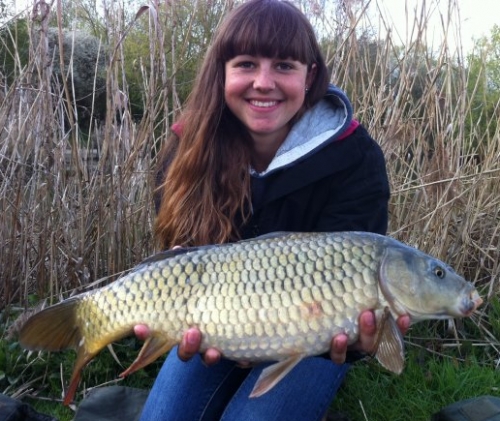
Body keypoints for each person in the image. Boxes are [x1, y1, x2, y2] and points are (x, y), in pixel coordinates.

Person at [136, 1, 410, 420]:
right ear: (222, 72)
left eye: (284, 66)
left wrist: (358, 340)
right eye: (246, 64)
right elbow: (182, 253)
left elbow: (357, 292)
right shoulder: (186, 148)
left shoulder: (355, 156)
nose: (263, 83)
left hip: (313, 335)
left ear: (310, 76)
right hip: (217, 325)